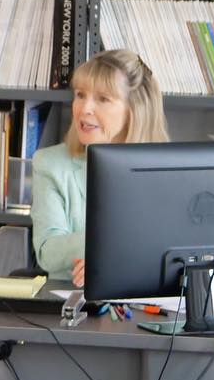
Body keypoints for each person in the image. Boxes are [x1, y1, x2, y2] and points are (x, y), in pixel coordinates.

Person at [31, 48, 168, 286]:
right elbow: (48, 252)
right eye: (80, 95)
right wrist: (106, 247)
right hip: (73, 298)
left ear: (135, 109)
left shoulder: (166, 169)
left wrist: (116, 260)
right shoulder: (50, 164)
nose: (84, 109)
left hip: (147, 297)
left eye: (103, 99)